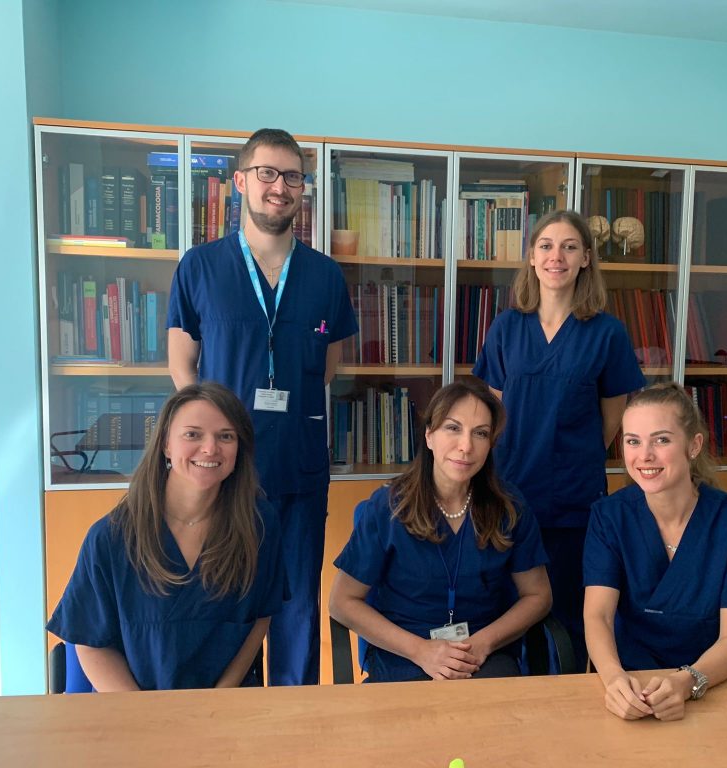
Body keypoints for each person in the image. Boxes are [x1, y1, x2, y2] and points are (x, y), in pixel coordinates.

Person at [167, 128, 357, 686]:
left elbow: (328, 368)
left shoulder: (325, 275)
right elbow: (182, 368)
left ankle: (295, 720)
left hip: (298, 468)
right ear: (241, 182)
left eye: (293, 176)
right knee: (227, 602)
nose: (280, 187)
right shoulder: (200, 267)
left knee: (297, 606)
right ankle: (230, 716)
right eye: (267, 173)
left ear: (302, 188)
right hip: (223, 474)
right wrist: (206, 441)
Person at [472, 209, 645, 670]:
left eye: (570, 247)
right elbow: (492, 417)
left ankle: (567, 700)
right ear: (532, 256)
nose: (557, 257)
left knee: (569, 615)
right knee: (504, 612)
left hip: (573, 501)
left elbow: (612, 422)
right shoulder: (507, 327)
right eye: (546, 246)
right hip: (507, 494)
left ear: (586, 258)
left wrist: (567, 459)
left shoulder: (607, 333)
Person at [47, 382, 286, 691]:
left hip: (228, 704)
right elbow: (92, 644)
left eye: (226, 436)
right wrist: (148, 713)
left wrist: (221, 698)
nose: (210, 448)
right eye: (193, 434)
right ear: (165, 445)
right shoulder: (111, 537)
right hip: (132, 707)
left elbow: (260, 617)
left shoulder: (259, 525)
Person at [583, 382, 727, 721]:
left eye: (661, 440)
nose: (645, 455)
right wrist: (615, 679)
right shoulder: (609, 517)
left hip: (719, 684)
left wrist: (686, 682)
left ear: (694, 445)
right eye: (633, 441)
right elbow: (598, 616)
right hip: (635, 683)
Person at [329, 380, 552, 683]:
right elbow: (342, 602)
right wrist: (420, 651)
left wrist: (483, 643)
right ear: (429, 435)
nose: (466, 446)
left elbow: (538, 595)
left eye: (480, 433)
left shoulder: (509, 507)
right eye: (453, 428)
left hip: (481, 658)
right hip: (404, 656)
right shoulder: (387, 507)